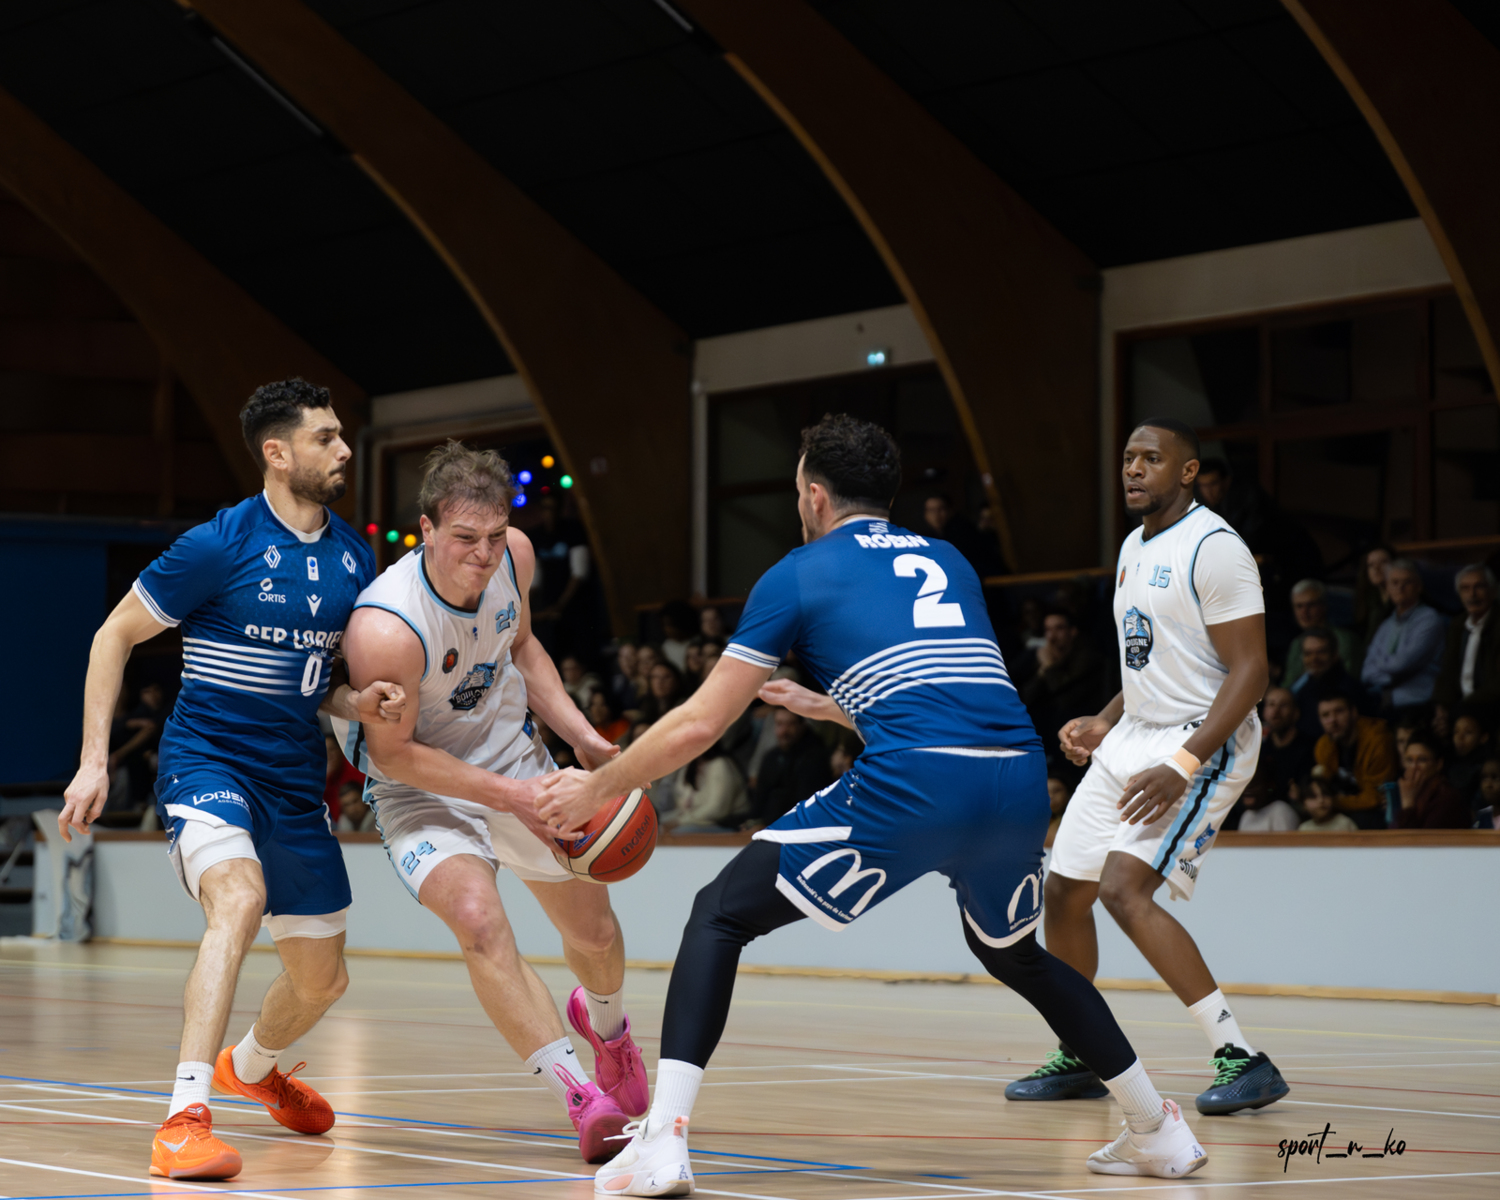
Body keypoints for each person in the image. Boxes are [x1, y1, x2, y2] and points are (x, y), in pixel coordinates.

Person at [537, 413, 1212, 1192]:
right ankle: (1158, 1129)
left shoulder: (797, 571)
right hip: (1016, 777)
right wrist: (841, 709)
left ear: (814, 497)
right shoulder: (950, 559)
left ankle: (663, 1141)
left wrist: (598, 784)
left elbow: (698, 723)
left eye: (797, 489)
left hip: (918, 781)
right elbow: (955, 696)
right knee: (1014, 953)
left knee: (718, 914)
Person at [58, 378, 405, 1181]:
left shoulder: (354, 557)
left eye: (341, 435)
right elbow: (113, 636)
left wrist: (359, 702)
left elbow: (320, 684)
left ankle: (249, 1069)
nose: (344, 450)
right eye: (325, 438)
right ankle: (183, 1120)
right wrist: (93, 760)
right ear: (276, 453)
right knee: (239, 900)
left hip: (295, 782)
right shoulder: (219, 545)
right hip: (208, 761)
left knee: (323, 979)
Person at [334, 441, 647, 1165]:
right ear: (426, 530)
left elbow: (524, 647)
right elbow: (394, 753)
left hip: (514, 758)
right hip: (419, 791)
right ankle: (581, 1096)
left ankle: (608, 1031)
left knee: (596, 936)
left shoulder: (517, 558)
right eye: (465, 538)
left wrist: (584, 738)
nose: (483, 555)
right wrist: (513, 798)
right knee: (479, 922)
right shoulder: (386, 626)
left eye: (495, 536)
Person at [1021, 417, 1289, 1118]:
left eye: (1151, 458)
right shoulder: (1133, 546)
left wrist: (1185, 760)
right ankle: (1081, 1050)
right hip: (1137, 734)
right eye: (1128, 458)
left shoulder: (1216, 547)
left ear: (1188, 471)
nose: (1134, 469)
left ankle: (1242, 1057)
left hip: (1202, 737)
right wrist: (1107, 719)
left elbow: (1252, 671)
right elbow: (1151, 659)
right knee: (1064, 891)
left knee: (1123, 890)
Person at [1019, 608, 1109, 753]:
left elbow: (1065, 699)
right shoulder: (1046, 655)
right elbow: (1026, 698)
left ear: (1072, 631)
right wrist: (1043, 670)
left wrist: (1049, 666)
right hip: (1048, 738)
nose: (1052, 637)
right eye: (1048, 630)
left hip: (1081, 737)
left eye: (1059, 629)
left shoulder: (1087, 656)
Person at [1361, 559, 1445, 712]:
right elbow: (1366, 672)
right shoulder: (1386, 624)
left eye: (1407, 582)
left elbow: (1401, 665)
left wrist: (1379, 662)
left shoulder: (1429, 619)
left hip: (1417, 702)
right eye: (1394, 582)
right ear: (1387, 587)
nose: (1400, 588)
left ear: (1418, 587)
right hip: (1384, 698)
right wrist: (1389, 672)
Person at [1313, 694, 1394, 829]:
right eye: (1325, 715)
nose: (1332, 720)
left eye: (1339, 711)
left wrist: (1332, 803)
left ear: (1353, 712)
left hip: (1376, 810)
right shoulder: (1323, 745)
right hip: (1343, 804)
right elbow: (1323, 785)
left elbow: (1375, 797)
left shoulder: (1377, 741)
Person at [1434, 565, 1500, 729]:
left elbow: (1496, 684)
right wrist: (1442, 705)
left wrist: (1461, 707)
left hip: (1490, 704)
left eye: (1479, 587)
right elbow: (1448, 670)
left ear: (1493, 591)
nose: (1472, 594)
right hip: (1462, 704)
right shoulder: (1458, 624)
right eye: (1465, 588)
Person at [744, 708, 833, 828]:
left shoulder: (815, 758)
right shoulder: (771, 757)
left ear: (802, 726)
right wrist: (753, 822)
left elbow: (807, 805)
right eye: (779, 724)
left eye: (790, 724)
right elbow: (760, 800)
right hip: (768, 825)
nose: (784, 731)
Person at [1288, 627, 1365, 738]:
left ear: (1335, 654)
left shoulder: (1351, 689)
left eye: (1321, 652)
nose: (1314, 658)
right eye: (1308, 653)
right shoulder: (1303, 690)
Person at [1391, 731, 1470, 829]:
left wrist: (1408, 804)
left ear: (1439, 764)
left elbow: (1413, 837)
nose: (1414, 767)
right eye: (1409, 760)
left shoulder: (1447, 799)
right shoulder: (1406, 792)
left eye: (1422, 760)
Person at [1284, 580, 1358, 683]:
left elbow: (1349, 682)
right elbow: (1289, 684)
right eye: (1299, 606)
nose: (1304, 612)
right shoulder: (1296, 643)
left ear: (1324, 605)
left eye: (1311, 605)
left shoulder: (1344, 640)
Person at [663, 745, 749, 832]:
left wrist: (680, 821)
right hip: (696, 819)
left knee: (679, 832)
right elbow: (684, 803)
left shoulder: (720, 764)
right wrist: (669, 821)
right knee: (660, 826)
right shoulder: (691, 765)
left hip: (725, 823)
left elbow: (716, 809)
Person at [1258, 687, 1317, 800]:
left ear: (1296, 712)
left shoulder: (1311, 748)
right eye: (1271, 704)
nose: (1276, 711)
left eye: (1283, 705)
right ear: (1264, 712)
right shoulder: (1260, 749)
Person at [1353, 544, 1396, 658]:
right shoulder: (1367, 601)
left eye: (1383, 562)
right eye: (1371, 565)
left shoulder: (1402, 601)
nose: (1376, 568)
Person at [1233, 766, 1299, 833]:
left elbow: (1285, 840)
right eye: (1244, 784)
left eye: (1254, 783)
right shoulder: (1246, 816)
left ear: (1269, 785)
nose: (1247, 790)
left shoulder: (1280, 810)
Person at [1447, 710, 1492, 803]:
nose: (1460, 737)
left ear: (1483, 737)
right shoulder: (1449, 761)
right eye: (1456, 732)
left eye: (1468, 732)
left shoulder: (1485, 768)